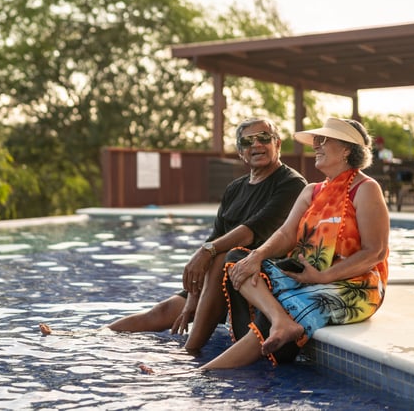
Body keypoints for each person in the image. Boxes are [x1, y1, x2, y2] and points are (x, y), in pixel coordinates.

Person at [201, 117, 389, 369]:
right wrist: (256, 256)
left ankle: (205, 374)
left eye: (324, 140)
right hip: (308, 275)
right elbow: (286, 234)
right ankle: (280, 320)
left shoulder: (366, 188)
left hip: (355, 285)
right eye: (316, 140)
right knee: (238, 260)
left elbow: (374, 252)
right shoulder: (312, 190)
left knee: (291, 306)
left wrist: (324, 277)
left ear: (346, 148)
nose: (316, 146)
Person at [106, 118, 307, 353]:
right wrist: (193, 296)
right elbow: (215, 237)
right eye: (247, 141)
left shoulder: (291, 183)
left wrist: (206, 251)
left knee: (221, 257)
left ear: (277, 144)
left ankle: (189, 353)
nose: (257, 145)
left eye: (264, 138)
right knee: (162, 312)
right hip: (222, 275)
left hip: (257, 275)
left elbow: (250, 232)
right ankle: (92, 336)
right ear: (240, 151)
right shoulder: (235, 189)